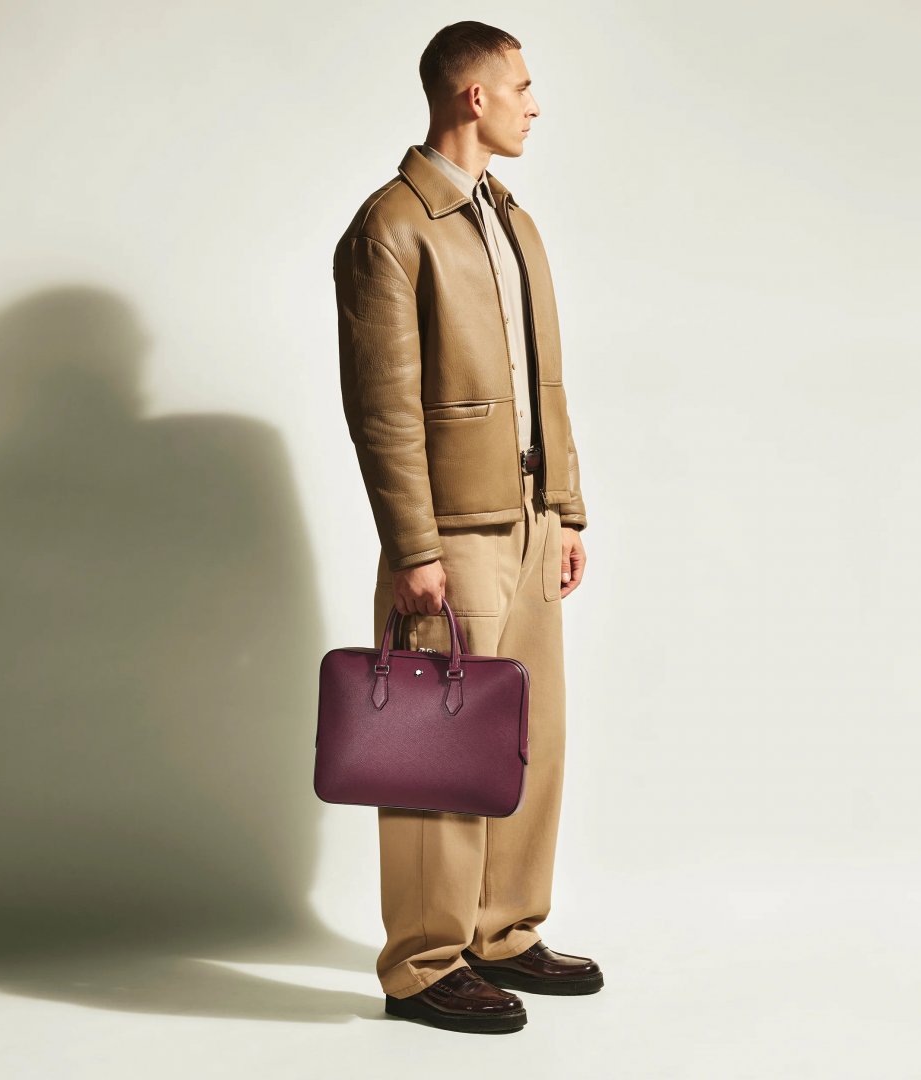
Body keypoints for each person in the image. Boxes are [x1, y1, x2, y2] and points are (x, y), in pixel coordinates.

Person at [332, 21, 603, 1035]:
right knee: (436, 748)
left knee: (531, 736)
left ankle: (503, 930)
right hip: (449, 535)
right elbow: (384, 408)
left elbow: (546, 382)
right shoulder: (391, 226)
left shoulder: (511, 219)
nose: (535, 103)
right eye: (521, 86)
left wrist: (564, 507)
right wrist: (414, 546)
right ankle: (422, 965)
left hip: (528, 522)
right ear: (472, 97)